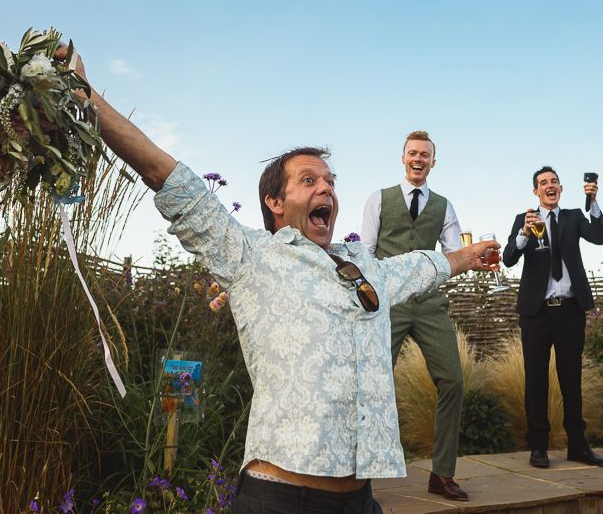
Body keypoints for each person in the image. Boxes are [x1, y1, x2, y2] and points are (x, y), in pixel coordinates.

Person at [60, 48, 499, 513]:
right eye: (309, 180)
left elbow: (421, 267)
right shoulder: (252, 257)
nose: (326, 188)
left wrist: (470, 254)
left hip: (360, 503)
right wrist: (89, 98)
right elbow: (167, 177)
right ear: (275, 202)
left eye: (330, 180)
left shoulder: (364, 267)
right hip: (281, 500)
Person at [360, 130, 467, 501]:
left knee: (453, 380)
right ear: (403, 158)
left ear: (433, 162)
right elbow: (367, 254)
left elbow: (453, 257)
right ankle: (360, 480)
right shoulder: (379, 199)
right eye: (413, 153)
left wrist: (475, 260)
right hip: (389, 301)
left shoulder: (444, 206)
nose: (418, 159)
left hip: (430, 301)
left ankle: (442, 474)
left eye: (425, 154)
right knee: (373, 384)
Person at [502, 166, 603, 469]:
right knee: (536, 380)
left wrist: (594, 202)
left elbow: (599, 236)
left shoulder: (573, 217)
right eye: (543, 182)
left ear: (560, 188)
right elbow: (508, 258)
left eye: (554, 182)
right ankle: (538, 447)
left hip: (570, 311)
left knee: (571, 379)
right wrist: (522, 233)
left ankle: (578, 446)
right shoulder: (526, 220)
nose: (550, 185)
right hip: (536, 314)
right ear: (535, 191)